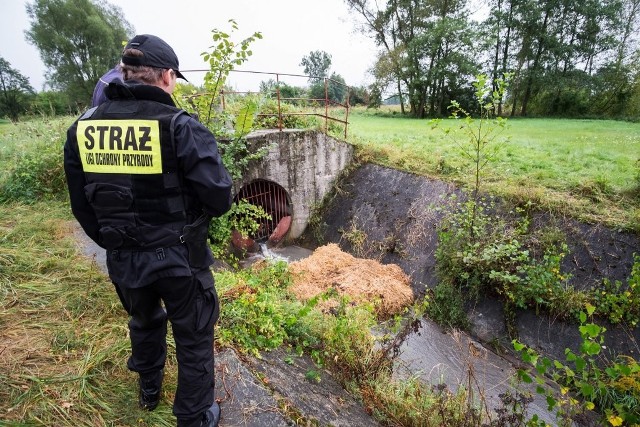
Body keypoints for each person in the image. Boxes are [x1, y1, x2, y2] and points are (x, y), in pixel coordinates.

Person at [64, 34, 232, 427]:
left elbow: (81, 206)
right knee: (193, 337)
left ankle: (149, 391)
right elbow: (220, 199)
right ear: (167, 76)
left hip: (124, 257)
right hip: (179, 259)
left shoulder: (83, 129)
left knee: (144, 321)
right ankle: (194, 417)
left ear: (124, 73)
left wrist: (114, 241)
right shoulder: (180, 127)